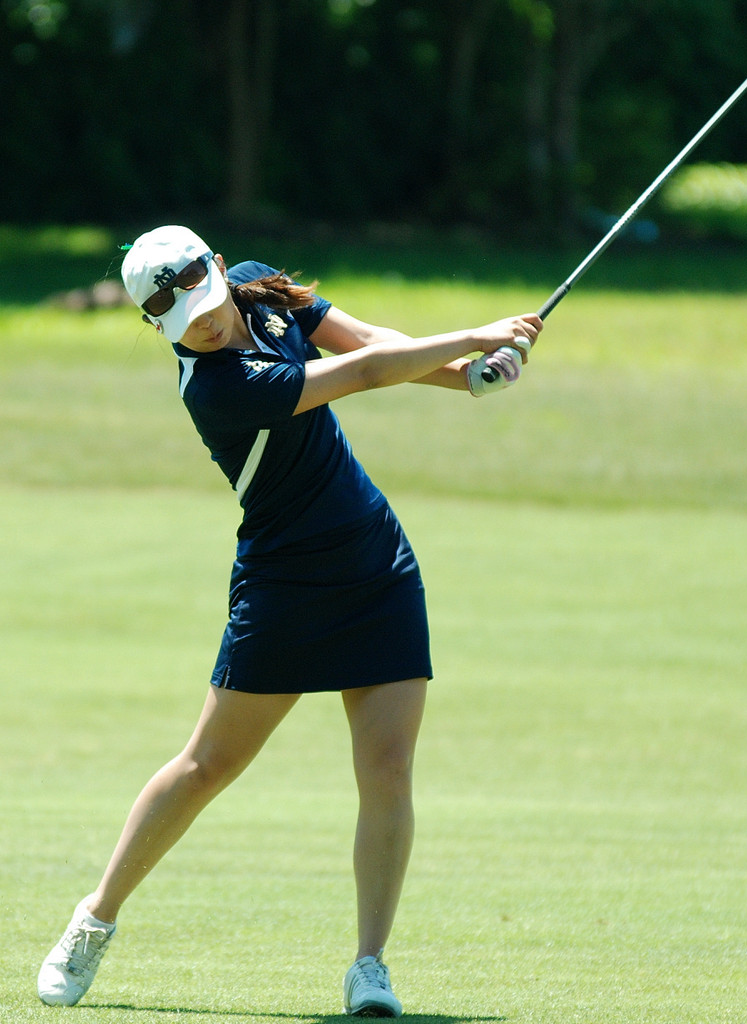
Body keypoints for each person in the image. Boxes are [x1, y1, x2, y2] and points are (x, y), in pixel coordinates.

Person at [37, 225, 542, 1015]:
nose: (202, 323)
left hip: (377, 565)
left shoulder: (260, 286)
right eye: (180, 320)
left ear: (216, 269)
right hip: (285, 586)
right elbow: (367, 372)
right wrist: (479, 334)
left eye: (205, 301)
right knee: (208, 767)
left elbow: (370, 339)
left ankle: (369, 965)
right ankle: (93, 919)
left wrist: (470, 376)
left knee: (388, 772)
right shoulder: (217, 387)